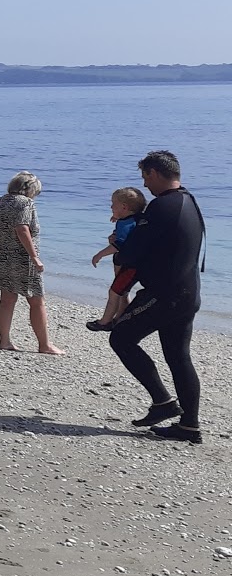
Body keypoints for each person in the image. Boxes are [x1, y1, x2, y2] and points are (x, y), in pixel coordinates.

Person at [109, 150, 206, 444]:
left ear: (153, 173)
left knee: (121, 338)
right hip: (188, 292)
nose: (145, 185)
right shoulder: (189, 201)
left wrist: (116, 244)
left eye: (145, 178)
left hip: (164, 294)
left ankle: (163, 402)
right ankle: (189, 425)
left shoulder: (160, 208)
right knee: (178, 356)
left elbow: (133, 253)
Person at [0, 171, 63, 354]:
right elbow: (22, 229)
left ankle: (4, 341)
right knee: (36, 301)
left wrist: (3, 240)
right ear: (29, 189)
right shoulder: (25, 202)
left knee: (7, 299)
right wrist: (34, 256)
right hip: (23, 258)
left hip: (2, 254)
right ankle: (44, 345)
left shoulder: (1, 201)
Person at [86, 187, 146, 331]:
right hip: (126, 262)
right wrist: (118, 216)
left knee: (114, 292)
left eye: (113, 204)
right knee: (122, 291)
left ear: (124, 207)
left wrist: (99, 254)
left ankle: (105, 322)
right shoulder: (132, 218)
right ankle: (121, 318)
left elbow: (118, 245)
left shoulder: (127, 224)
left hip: (130, 265)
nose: (111, 206)